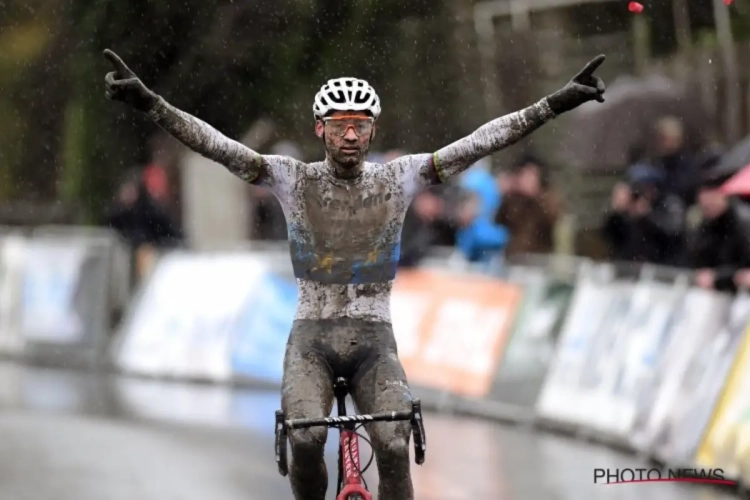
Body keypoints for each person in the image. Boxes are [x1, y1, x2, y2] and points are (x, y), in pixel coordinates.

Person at [103, 48, 607, 500]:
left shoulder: (399, 176)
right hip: (311, 339)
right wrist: (153, 104)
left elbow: (478, 143)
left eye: (361, 125)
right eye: (341, 123)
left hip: (374, 339)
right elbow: (218, 146)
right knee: (304, 438)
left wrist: (554, 104)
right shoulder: (291, 176)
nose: (351, 134)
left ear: (373, 130)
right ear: (320, 128)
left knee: (392, 441)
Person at [601, 163, 685, 265]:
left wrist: (647, 216)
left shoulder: (668, 204)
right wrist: (616, 213)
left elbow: (672, 236)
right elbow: (611, 238)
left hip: (662, 268)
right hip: (632, 268)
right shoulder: (630, 208)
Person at [690, 166, 750, 293]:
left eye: (711, 200)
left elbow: (743, 265)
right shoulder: (706, 225)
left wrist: (718, 276)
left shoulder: (741, 221)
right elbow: (699, 255)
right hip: (718, 293)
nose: (708, 207)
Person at [494, 154, 562, 258]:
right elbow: (498, 221)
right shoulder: (514, 199)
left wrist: (535, 195)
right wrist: (503, 194)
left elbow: (553, 218)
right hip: (513, 258)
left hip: (539, 259)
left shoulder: (548, 197)